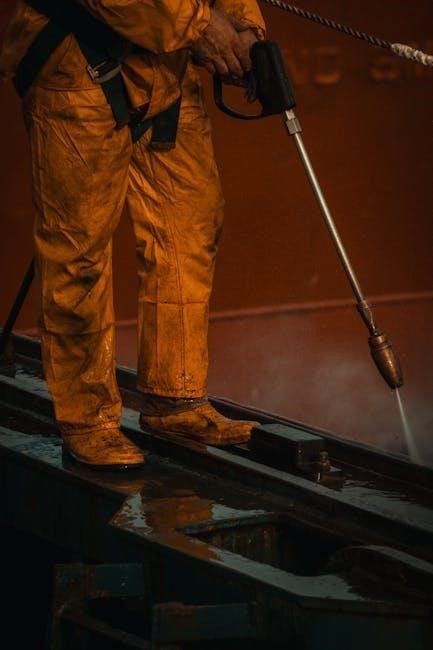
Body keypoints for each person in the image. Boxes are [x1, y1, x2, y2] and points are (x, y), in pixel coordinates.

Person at [0, 0, 265, 469]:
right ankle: (88, 420)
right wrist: (199, 26)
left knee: (189, 225)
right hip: (78, 64)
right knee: (78, 251)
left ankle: (175, 399)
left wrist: (245, 27)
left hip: (166, 69)